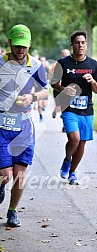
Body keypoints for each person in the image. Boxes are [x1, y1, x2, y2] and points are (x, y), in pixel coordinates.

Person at [0, 24, 48, 227]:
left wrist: (32, 96)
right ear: (9, 43)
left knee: (20, 173)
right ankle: (0, 183)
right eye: (17, 46)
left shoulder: (36, 65)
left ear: (29, 45)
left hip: (25, 125)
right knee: (6, 175)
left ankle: (12, 212)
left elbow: (46, 91)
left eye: (25, 47)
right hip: (1, 124)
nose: (21, 50)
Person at [51, 30, 97, 185]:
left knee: (82, 142)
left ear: (86, 44)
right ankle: (67, 159)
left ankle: (72, 172)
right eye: (77, 42)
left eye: (83, 42)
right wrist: (63, 89)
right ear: (72, 45)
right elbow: (53, 82)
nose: (80, 45)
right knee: (74, 138)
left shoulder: (93, 64)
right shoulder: (63, 63)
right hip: (69, 107)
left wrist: (92, 82)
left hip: (87, 108)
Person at [49, 49, 70, 131]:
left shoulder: (71, 64)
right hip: (57, 88)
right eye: (65, 55)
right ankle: (55, 110)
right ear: (62, 55)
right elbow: (50, 72)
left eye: (68, 55)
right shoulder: (57, 63)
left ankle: (65, 126)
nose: (66, 57)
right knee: (59, 106)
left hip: (67, 90)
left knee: (65, 107)